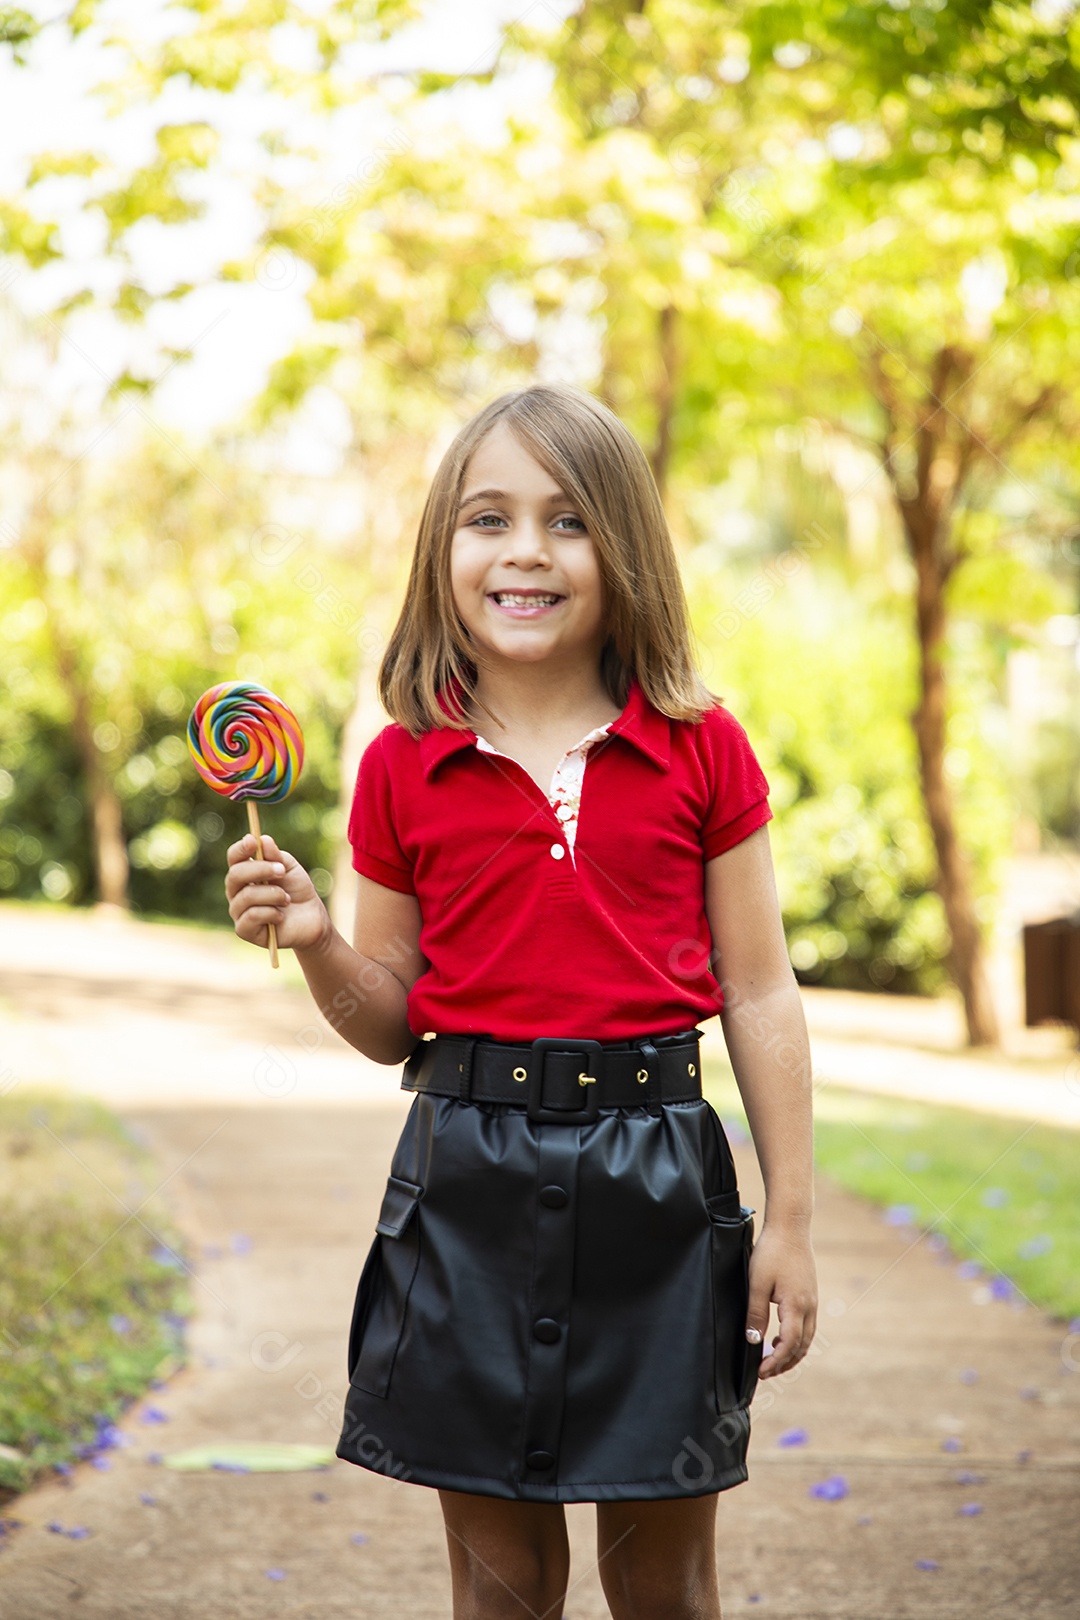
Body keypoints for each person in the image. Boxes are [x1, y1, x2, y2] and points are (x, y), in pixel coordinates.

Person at [224, 382, 817, 1620]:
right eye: (487, 519)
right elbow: (389, 1021)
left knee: (664, 1584)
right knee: (501, 1585)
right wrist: (325, 941)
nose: (525, 553)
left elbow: (759, 989)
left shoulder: (704, 747)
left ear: (625, 551)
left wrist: (791, 1220)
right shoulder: (401, 764)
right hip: (465, 1191)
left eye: (567, 521)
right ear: (444, 550)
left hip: (662, 1191)